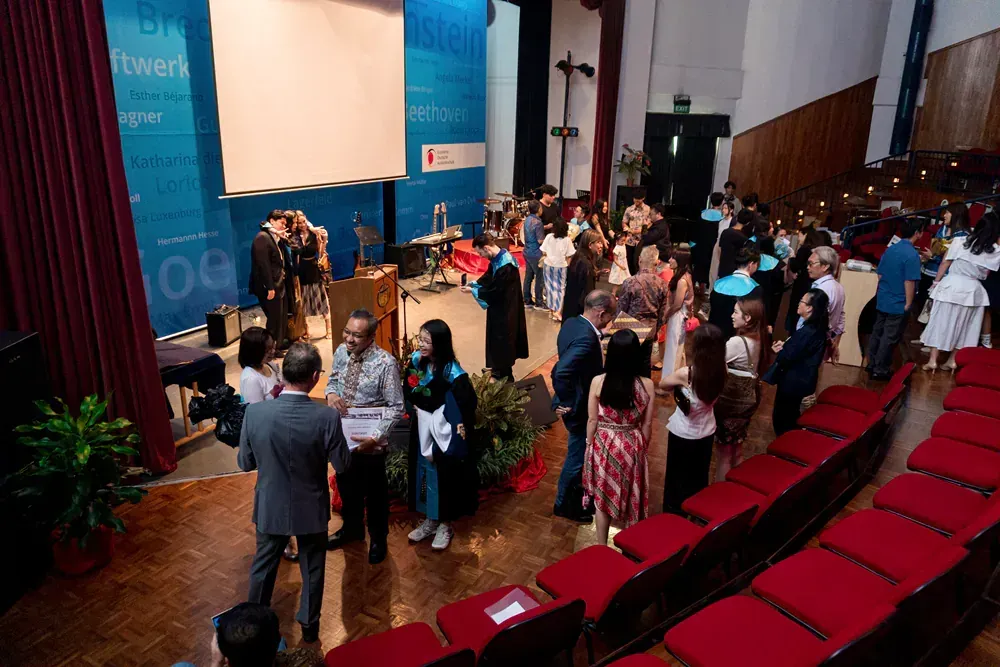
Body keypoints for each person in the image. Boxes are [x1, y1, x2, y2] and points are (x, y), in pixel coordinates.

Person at [238, 343, 354, 641]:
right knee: (313, 569)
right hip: (310, 509)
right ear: (315, 377)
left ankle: (252, 627)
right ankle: (309, 627)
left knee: (262, 568)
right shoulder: (327, 418)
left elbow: (245, 462)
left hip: (270, 506)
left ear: (284, 371)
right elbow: (342, 465)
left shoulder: (254, 414)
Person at [324, 310, 404, 564]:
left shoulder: (385, 363)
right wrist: (330, 394)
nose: (349, 339)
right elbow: (333, 380)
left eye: (356, 335)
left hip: (370, 442)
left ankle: (378, 538)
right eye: (347, 332)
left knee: (376, 494)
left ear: (371, 336)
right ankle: (352, 530)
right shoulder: (340, 352)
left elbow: (396, 406)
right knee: (347, 487)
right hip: (342, 437)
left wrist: (376, 437)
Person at [403, 320, 479, 552]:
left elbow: (466, 406)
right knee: (423, 473)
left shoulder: (453, 373)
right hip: (421, 430)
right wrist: (415, 409)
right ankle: (429, 519)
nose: (421, 344)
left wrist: (438, 417)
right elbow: (408, 389)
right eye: (421, 338)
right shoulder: (417, 362)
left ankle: (445, 523)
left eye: (427, 341)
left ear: (440, 343)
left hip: (443, 433)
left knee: (444, 476)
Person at [551, 290, 618, 522]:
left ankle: (573, 498)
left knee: (579, 454)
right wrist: (567, 400)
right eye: (609, 316)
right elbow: (561, 371)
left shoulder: (572, 323)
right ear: (600, 313)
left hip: (578, 401)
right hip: (580, 408)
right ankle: (563, 504)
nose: (610, 321)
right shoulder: (587, 338)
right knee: (577, 457)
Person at [583, 329, 655, 545]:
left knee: (602, 497)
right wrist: (642, 447)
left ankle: (601, 545)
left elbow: (592, 420)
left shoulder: (598, 382)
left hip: (604, 444)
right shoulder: (647, 385)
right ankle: (629, 545)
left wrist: (589, 443)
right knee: (632, 495)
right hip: (632, 442)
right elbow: (648, 423)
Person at [658, 324, 727, 514]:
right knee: (698, 477)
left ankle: (673, 515)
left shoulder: (687, 373)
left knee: (676, 478)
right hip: (706, 430)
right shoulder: (723, 369)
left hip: (683, 432)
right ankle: (695, 512)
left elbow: (663, 384)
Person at [920, 213, 1000, 371]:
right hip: (973, 289)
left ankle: (933, 361)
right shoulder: (995, 250)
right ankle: (953, 360)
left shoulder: (960, 241)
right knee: (966, 326)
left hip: (952, 284)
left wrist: (936, 282)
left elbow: (945, 263)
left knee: (939, 323)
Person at [713, 296, 769, 480]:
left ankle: (720, 495)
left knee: (724, 454)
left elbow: (713, 363)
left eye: (736, 312)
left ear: (748, 318)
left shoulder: (737, 343)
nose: (732, 315)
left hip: (731, 403)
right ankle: (736, 487)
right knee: (736, 448)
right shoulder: (759, 338)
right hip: (748, 401)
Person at [462, 234, 530, 381]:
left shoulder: (506, 265)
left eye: (480, 253)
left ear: (486, 248)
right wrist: (475, 284)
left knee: (503, 342)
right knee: (495, 340)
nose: (481, 256)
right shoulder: (498, 257)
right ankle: (496, 367)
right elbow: (489, 277)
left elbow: (496, 291)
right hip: (499, 309)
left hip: (506, 312)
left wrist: (474, 291)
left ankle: (504, 375)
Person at [763, 289, 830, 435]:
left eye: (802, 301)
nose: (798, 304)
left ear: (810, 308)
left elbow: (788, 356)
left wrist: (781, 350)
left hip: (792, 383)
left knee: (783, 419)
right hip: (800, 381)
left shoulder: (807, 331)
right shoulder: (816, 328)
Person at [868, 219, 922, 380]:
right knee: (889, 337)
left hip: (883, 297)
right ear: (917, 233)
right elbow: (909, 281)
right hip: (898, 302)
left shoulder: (891, 249)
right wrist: (908, 303)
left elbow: (879, 273)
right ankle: (881, 369)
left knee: (877, 332)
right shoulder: (912, 255)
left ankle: (871, 364)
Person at [616, 246, 670, 376]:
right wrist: (656, 329)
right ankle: (643, 394)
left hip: (630, 331)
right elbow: (663, 313)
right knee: (645, 365)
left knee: (626, 365)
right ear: (656, 263)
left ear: (639, 260)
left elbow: (620, 310)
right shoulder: (662, 284)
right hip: (650, 330)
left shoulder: (630, 282)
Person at [917, 202, 969, 317]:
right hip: (927, 270)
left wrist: (933, 257)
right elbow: (936, 249)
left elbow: (952, 260)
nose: (944, 215)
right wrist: (926, 256)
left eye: (947, 213)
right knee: (920, 305)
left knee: (933, 311)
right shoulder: (943, 228)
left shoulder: (962, 236)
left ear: (956, 214)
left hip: (942, 277)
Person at [250, 210, 289, 352]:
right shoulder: (262, 237)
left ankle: (277, 344)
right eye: (281, 223)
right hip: (270, 287)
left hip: (280, 284)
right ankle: (270, 349)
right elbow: (263, 264)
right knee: (273, 320)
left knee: (281, 317)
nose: (284, 226)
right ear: (272, 221)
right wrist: (270, 287)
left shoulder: (275, 237)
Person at [800, 246, 846, 361]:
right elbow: (841, 317)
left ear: (825, 266)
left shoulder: (822, 289)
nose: (807, 267)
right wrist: (835, 342)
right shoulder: (838, 287)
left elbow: (810, 320)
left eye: (811, 264)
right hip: (822, 343)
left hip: (809, 344)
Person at [289, 213, 331, 340]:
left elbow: (321, 251)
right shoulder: (294, 236)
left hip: (313, 268)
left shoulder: (314, 234)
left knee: (322, 299)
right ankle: (306, 330)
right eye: (299, 222)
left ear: (307, 220)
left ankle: (328, 328)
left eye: (303, 221)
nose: (302, 225)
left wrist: (324, 239)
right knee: (303, 302)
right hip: (302, 270)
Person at [709, 245, 761, 340]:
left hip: (714, 334)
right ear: (751, 264)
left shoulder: (719, 283)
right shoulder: (754, 288)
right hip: (737, 338)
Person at [660, 247, 693, 375]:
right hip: (680, 315)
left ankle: (668, 383)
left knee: (673, 350)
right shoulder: (684, 276)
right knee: (678, 348)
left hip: (678, 316)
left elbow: (677, 304)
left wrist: (666, 315)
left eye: (673, 257)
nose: (670, 260)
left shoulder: (682, 281)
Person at [786, 227, 824, 334]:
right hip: (809, 283)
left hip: (801, 284)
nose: (798, 238)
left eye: (800, 235)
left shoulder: (804, 249)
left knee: (797, 309)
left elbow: (796, 265)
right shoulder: (815, 249)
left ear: (805, 235)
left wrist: (792, 258)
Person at [562, 230, 603, 321]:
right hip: (578, 310)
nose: (601, 245)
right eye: (598, 242)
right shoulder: (585, 263)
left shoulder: (578, 257)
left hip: (570, 306)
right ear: (590, 245)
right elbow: (586, 292)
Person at [540, 218, 576, 321]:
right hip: (561, 266)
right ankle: (558, 311)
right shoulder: (567, 240)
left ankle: (552, 310)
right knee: (560, 289)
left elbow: (543, 251)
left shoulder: (549, 237)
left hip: (548, 265)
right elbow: (570, 255)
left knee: (550, 288)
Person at [239, 327, 284, 405]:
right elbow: (257, 412)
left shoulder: (269, 364)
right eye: (268, 349)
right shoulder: (251, 380)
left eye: (273, 346)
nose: (273, 351)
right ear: (255, 351)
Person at [521, 200, 546, 310]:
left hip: (527, 251)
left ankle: (526, 300)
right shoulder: (538, 222)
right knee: (539, 277)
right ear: (538, 209)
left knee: (528, 277)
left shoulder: (527, 220)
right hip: (536, 253)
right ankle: (539, 302)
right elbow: (540, 240)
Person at [696, 193, 724, 289]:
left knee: (701, 263)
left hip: (702, 243)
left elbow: (697, 230)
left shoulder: (703, 214)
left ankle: (700, 285)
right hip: (714, 243)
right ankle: (709, 286)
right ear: (721, 202)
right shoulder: (722, 217)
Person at [622, 188, 651, 276]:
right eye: (634, 198)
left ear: (643, 198)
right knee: (629, 260)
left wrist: (639, 231)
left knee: (639, 261)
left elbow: (650, 224)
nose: (636, 201)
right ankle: (631, 279)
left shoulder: (648, 209)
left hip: (642, 240)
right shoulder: (629, 209)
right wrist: (627, 228)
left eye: (638, 199)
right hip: (630, 240)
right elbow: (624, 222)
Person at [717, 209, 751, 280]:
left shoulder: (725, 232)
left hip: (722, 268)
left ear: (737, 217)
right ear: (748, 223)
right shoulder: (744, 239)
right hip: (734, 272)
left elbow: (719, 250)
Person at [709, 197, 733, 290]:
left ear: (731, 210)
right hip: (718, 244)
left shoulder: (732, 221)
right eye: (723, 208)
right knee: (714, 268)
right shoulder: (721, 221)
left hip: (726, 246)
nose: (723, 210)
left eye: (726, 208)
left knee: (722, 269)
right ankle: (711, 289)